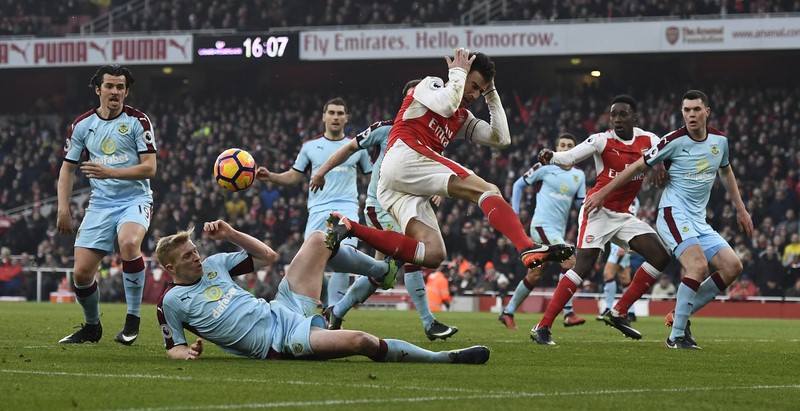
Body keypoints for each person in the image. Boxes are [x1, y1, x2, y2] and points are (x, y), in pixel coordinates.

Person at [326, 47, 573, 280]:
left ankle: (350, 227)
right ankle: (527, 247)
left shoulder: (462, 118)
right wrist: (458, 72)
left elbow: (501, 139)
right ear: (462, 75)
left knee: (434, 254)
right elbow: (446, 103)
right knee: (488, 190)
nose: (475, 95)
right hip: (406, 155)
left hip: (396, 184)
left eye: (480, 91)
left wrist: (491, 93)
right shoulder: (429, 85)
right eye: (474, 86)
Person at [155, 219, 489, 364]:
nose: (196, 258)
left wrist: (230, 233)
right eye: (188, 256)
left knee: (319, 239)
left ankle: (381, 271)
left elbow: (268, 257)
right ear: (171, 269)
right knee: (361, 342)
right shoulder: (170, 302)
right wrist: (186, 353)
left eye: (195, 250)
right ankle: (443, 358)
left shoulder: (215, 263)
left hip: (281, 306)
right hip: (278, 341)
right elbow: (174, 347)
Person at [585, 90, 754, 349]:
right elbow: (636, 167)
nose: (691, 115)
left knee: (733, 267)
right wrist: (602, 192)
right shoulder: (672, 140)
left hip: (699, 219)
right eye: (686, 110)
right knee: (697, 267)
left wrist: (741, 209)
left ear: (706, 112)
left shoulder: (720, 141)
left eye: (696, 109)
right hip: (672, 213)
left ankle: (680, 315)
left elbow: (726, 171)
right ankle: (676, 336)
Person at [309, 82, 457, 340]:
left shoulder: (434, 138)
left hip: (408, 208)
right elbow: (350, 148)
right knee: (413, 254)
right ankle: (429, 323)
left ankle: (337, 311)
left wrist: (439, 187)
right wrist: (321, 171)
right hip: (383, 206)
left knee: (384, 273)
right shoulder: (385, 129)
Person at [530, 95, 672, 345]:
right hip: (598, 209)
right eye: (613, 114)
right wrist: (551, 155)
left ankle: (618, 311)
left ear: (634, 117)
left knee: (661, 256)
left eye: (622, 114)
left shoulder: (649, 139)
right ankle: (543, 326)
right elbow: (570, 157)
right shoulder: (602, 140)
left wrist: (662, 167)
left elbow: (668, 156)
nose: (617, 119)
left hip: (624, 214)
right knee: (582, 267)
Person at [255, 98, 397, 309]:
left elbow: (372, 178)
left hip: (347, 208)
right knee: (313, 262)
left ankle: (334, 309)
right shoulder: (310, 147)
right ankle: (328, 305)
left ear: (346, 118)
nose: (336, 117)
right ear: (324, 117)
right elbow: (294, 177)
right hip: (317, 211)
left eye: (340, 113)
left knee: (344, 257)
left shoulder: (356, 147)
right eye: (331, 112)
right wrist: (271, 177)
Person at [57, 65, 157, 345]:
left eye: (120, 87)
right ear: (98, 89)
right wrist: (63, 208)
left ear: (127, 91)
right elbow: (67, 169)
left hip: (134, 199)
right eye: (110, 86)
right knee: (81, 273)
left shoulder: (139, 121)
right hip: (100, 204)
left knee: (128, 244)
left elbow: (150, 168)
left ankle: (132, 320)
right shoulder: (82, 125)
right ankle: (92, 327)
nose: (115, 92)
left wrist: (110, 172)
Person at [498, 133, 587, 330]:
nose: (565, 148)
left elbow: (581, 203)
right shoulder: (544, 168)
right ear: (556, 148)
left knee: (536, 274)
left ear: (575, 149)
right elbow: (518, 184)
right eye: (561, 145)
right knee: (570, 260)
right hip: (541, 226)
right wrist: (514, 212)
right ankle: (569, 313)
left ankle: (508, 311)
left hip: (558, 229)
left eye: (569, 146)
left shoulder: (579, 175)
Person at [596, 197, 641, 321]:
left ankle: (608, 308)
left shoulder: (629, 197)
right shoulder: (631, 197)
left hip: (620, 243)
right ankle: (630, 312)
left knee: (608, 274)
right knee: (625, 278)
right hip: (618, 241)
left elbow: (628, 217)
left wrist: (624, 244)